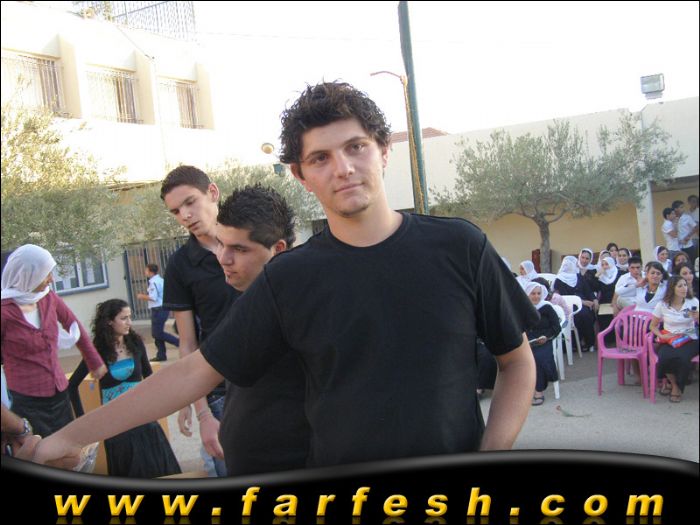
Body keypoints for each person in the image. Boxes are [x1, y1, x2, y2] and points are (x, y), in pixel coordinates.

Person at [33, 81, 538, 469]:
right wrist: (68, 437)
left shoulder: (459, 246)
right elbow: (193, 372)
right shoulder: (290, 277)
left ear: (384, 150)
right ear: (300, 175)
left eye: (356, 147)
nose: (343, 168)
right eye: (320, 157)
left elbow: (516, 363)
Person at [214, 185, 310, 475]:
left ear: (277, 249)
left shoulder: (302, 305)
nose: (223, 258)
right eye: (221, 244)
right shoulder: (247, 299)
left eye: (239, 249)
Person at [159, 165, 240, 477]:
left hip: (277, 380)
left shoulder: (253, 239)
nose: (185, 215)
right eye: (176, 211)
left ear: (213, 193)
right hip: (222, 392)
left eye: (190, 202)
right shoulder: (180, 265)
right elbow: (188, 344)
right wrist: (203, 413)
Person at [1, 244, 106, 437]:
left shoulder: (48, 298)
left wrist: (94, 361)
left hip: (60, 394)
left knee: (66, 445)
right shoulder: (5, 311)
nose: (52, 279)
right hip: (27, 400)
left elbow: (74, 326)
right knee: (38, 449)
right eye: (46, 274)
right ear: (28, 276)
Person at [68, 299, 181, 477]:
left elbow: (149, 378)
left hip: (142, 420)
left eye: (130, 317)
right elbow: (72, 386)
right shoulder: (97, 351)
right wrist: (82, 420)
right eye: (123, 318)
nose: (129, 322)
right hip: (116, 426)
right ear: (109, 321)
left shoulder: (136, 344)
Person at [649, 275, 699, 403]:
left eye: (685, 285)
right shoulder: (663, 304)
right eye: (680, 286)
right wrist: (661, 336)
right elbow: (652, 326)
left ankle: (675, 386)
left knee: (682, 358)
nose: (684, 288)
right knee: (665, 356)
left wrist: (697, 318)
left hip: (689, 337)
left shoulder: (693, 301)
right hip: (670, 338)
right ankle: (674, 385)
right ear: (672, 288)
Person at [524, 282, 561, 406]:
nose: (536, 296)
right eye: (533, 293)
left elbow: (556, 327)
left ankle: (538, 391)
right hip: (526, 341)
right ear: (527, 294)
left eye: (539, 293)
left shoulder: (547, 308)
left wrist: (546, 336)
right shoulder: (521, 308)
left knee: (538, 358)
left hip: (544, 340)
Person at [136, 263, 179, 362]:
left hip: (158, 309)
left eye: (146, 270)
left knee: (157, 333)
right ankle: (161, 355)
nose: (145, 272)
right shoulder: (161, 280)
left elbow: (153, 297)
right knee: (157, 333)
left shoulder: (154, 282)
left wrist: (141, 296)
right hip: (162, 308)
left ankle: (178, 342)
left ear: (150, 271)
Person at [554, 255, 597, 352]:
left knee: (588, 313)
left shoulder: (578, 276)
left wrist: (594, 299)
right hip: (568, 305)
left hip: (584, 303)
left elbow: (588, 290)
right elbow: (564, 297)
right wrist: (582, 302)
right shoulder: (559, 279)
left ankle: (589, 343)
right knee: (582, 314)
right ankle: (575, 344)